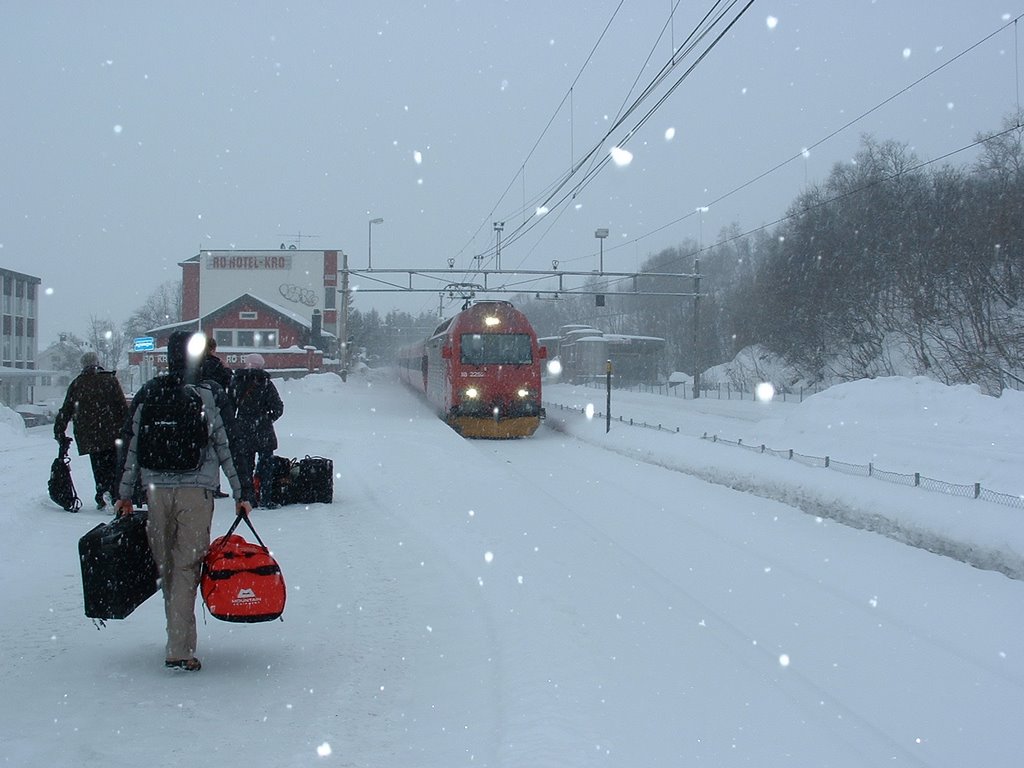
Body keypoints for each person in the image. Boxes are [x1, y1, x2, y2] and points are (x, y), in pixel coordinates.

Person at [115, 330, 253, 672]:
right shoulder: (210, 393)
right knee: (186, 568)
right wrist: (242, 493)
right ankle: (178, 646)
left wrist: (124, 494)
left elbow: (131, 445)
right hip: (196, 492)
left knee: (168, 569)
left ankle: (176, 638)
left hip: (155, 492)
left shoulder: (150, 392)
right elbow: (227, 445)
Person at [54, 351, 128, 510]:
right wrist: (128, 428)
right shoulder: (110, 380)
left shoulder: (77, 384)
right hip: (112, 433)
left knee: (98, 465)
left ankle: (102, 494)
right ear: (97, 363)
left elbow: (66, 409)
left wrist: (59, 431)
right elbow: (122, 406)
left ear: (83, 365)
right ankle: (114, 495)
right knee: (114, 465)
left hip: (90, 436)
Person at [229, 353, 284, 508]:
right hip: (263, 430)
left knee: (245, 466)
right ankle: (266, 497)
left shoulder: (237, 382)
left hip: (243, 429)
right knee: (266, 465)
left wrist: (236, 424)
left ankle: (248, 498)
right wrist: (267, 418)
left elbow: (230, 408)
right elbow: (278, 407)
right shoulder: (266, 383)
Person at [200, 337, 234, 498]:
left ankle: (200, 483)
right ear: (213, 348)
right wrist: (227, 369)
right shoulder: (216, 364)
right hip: (215, 408)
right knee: (216, 448)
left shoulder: (194, 365)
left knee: (201, 447)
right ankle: (214, 485)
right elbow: (227, 381)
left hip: (197, 409)